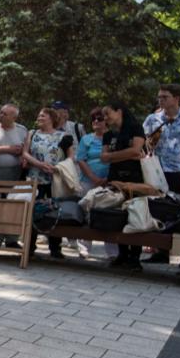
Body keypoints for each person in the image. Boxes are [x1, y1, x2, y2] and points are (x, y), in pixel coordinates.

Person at [142, 84, 180, 264]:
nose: (161, 100)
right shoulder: (153, 119)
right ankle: (160, 252)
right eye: (159, 97)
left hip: (178, 172)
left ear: (176, 98)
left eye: (165, 97)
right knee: (157, 209)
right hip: (156, 171)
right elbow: (145, 144)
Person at [101, 101, 146, 272]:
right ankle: (122, 253)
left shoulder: (135, 128)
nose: (105, 118)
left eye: (108, 114)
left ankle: (135, 256)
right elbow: (103, 157)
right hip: (114, 178)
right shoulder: (108, 134)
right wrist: (121, 156)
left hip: (135, 178)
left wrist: (112, 156)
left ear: (119, 111)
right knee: (117, 215)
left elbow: (136, 151)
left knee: (135, 215)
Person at [23, 107, 67, 259]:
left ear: (51, 118)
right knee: (33, 211)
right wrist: (39, 164)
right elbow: (25, 153)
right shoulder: (32, 133)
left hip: (55, 179)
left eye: (43, 115)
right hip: (35, 178)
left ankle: (55, 247)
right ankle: (29, 247)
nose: (39, 117)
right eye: (39, 115)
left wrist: (56, 168)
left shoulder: (63, 136)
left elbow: (71, 157)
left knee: (55, 210)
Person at [75, 108, 117, 259]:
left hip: (109, 182)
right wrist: (93, 177)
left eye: (99, 119)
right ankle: (84, 247)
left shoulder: (113, 138)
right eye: (93, 119)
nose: (95, 122)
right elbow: (80, 159)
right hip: (88, 181)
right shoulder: (86, 139)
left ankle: (112, 251)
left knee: (109, 214)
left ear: (106, 120)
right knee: (86, 212)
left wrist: (107, 179)